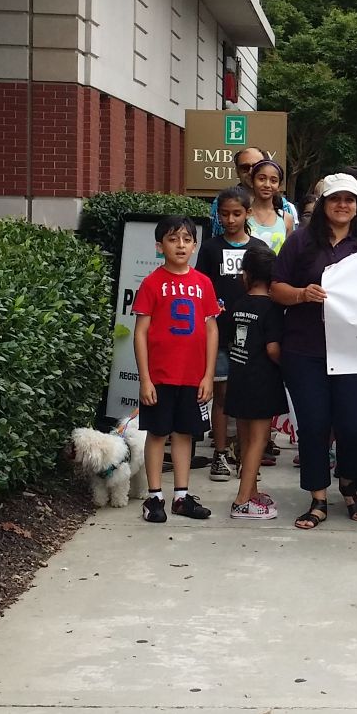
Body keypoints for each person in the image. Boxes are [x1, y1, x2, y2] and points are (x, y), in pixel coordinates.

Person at [273, 174, 357, 528]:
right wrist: (302, 294)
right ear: (323, 204)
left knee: (355, 424)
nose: (342, 205)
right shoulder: (300, 241)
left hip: (354, 351)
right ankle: (318, 497)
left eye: (349, 199)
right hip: (305, 348)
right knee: (314, 424)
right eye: (335, 199)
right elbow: (276, 287)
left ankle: (349, 483)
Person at [131, 216, 219, 524]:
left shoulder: (204, 283)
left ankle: (182, 496)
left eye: (186, 239)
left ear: (194, 246)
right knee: (157, 433)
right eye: (172, 239)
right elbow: (140, 332)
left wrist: (208, 374)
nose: (180, 245)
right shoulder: (151, 283)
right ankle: (154, 497)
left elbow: (211, 330)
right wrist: (145, 378)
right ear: (160, 246)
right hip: (160, 375)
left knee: (185, 433)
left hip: (192, 376)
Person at [197, 186, 257, 479]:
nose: (230, 220)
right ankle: (220, 454)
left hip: (250, 333)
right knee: (220, 395)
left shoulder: (258, 249)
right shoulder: (210, 248)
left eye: (236, 213)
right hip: (218, 333)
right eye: (224, 214)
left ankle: (247, 456)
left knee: (247, 397)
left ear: (248, 213)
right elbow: (200, 286)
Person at [223, 243, 285, 520]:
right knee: (259, 442)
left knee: (246, 440)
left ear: (246, 274)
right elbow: (273, 349)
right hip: (262, 382)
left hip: (238, 379)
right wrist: (287, 365)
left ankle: (251, 491)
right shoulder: (272, 308)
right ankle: (241, 501)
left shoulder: (238, 305)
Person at [246, 157, 296, 251]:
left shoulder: (286, 219)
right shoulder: (243, 215)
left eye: (273, 181)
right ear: (252, 181)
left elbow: (290, 254)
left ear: (279, 186)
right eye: (261, 179)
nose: (267, 185)